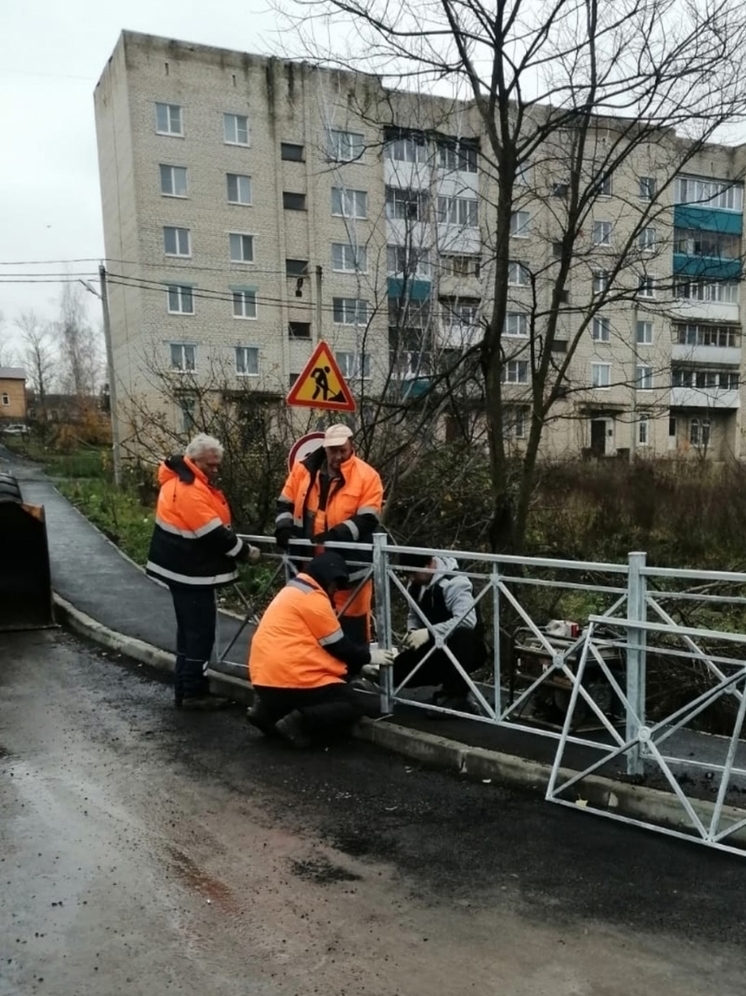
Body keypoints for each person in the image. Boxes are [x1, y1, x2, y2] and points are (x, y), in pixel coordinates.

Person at [146, 433, 260, 710]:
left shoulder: (179, 481)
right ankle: (193, 692)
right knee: (200, 632)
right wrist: (245, 552)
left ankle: (186, 688)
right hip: (190, 571)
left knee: (189, 632)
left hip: (180, 568)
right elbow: (211, 532)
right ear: (194, 460)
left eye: (217, 465)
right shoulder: (190, 488)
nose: (215, 470)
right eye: (211, 465)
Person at [247, 552, 395, 747]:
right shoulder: (314, 599)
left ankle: (266, 712)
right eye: (335, 586)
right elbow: (338, 646)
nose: (334, 592)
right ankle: (299, 722)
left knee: (310, 694)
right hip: (291, 678)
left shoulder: (293, 590)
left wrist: (357, 666)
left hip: (263, 679)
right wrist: (369, 657)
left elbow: (314, 647)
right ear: (329, 578)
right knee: (353, 703)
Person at [274, 423, 383, 643]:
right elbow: (284, 503)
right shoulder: (302, 471)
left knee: (351, 626)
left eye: (343, 450)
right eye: (333, 451)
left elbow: (368, 518)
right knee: (311, 625)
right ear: (325, 449)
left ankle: (354, 673)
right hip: (308, 565)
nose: (339, 456)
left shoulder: (366, 476)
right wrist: (283, 529)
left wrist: (337, 535)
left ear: (352, 446)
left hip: (350, 568)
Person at [393, 551, 487, 713]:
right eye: (408, 574)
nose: (411, 578)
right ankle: (373, 678)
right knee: (396, 672)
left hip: (467, 648)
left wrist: (429, 633)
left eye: (413, 573)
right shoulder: (415, 585)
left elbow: (467, 621)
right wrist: (413, 631)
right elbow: (413, 614)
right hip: (435, 646)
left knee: (462, 636)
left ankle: (457, 696)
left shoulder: (455, 583)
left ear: (429, 564)